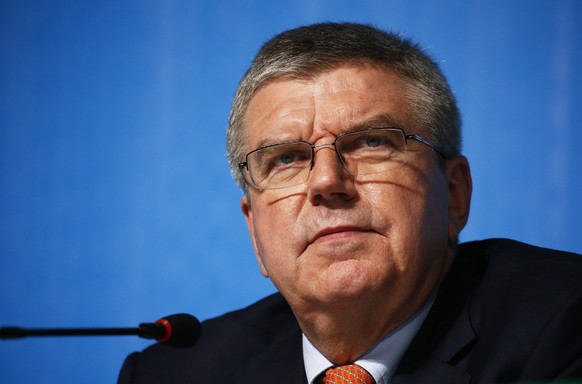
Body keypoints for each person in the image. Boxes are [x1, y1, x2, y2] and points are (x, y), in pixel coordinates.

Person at [118, 22, 582, 384]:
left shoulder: (564, 324)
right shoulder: (173, 373)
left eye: (371, 143)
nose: (326, 181)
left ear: (455, 194)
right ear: (253, 230)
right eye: (285, 159)